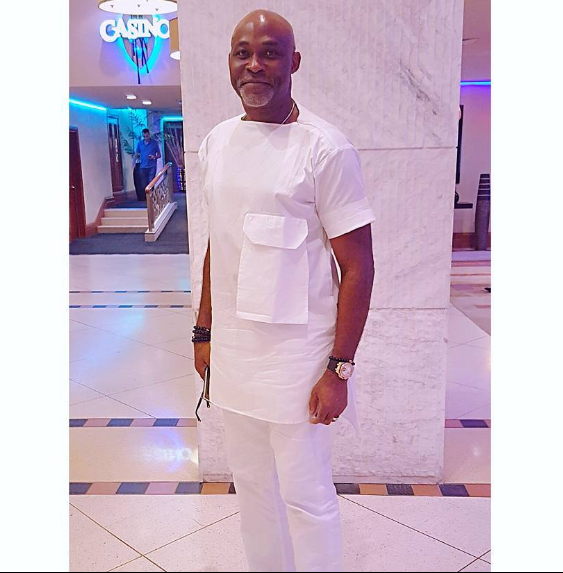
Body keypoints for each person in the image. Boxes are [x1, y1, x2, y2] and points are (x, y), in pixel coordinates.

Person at [194, 9, 375, 572]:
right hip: (235, 357)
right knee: (250, 487)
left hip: (299, 362)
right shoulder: (216, 142)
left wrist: (338, 369)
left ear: (293, 62)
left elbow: (358, 266)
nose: (254, 65)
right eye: (242, 53)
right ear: (229, 63)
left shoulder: (325, 149)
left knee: (306, 494)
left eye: (269, 53)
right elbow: (218, 243)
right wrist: (203, 332)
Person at [134, 128, 161, 198]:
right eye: (144, 136)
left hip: (152, 166)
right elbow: (136, 153)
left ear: (149, 134)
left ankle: (151, 198)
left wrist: (154, 157)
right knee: (144, 184)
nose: (146, 138)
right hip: (143, 166)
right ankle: (146, 198)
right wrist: (134, 162)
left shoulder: (154, 143)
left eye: (147, 136)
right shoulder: (140, 144)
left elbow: (159, 155)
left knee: (151, 182)